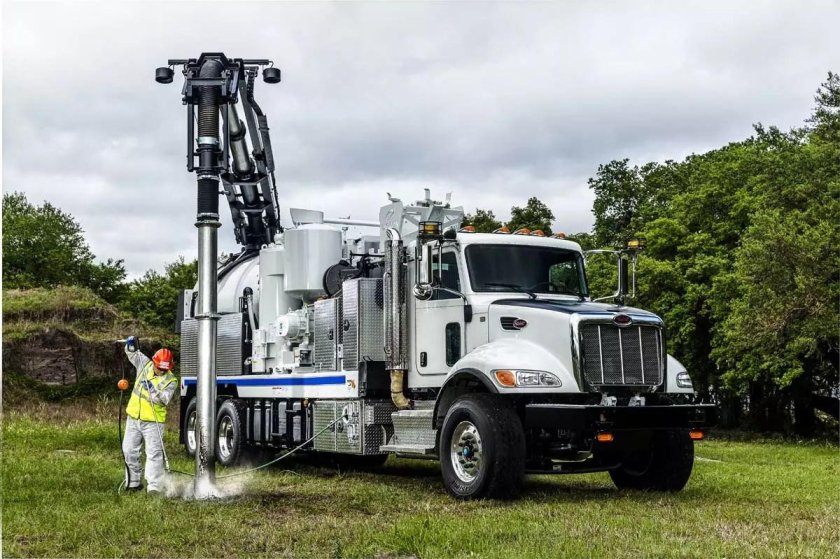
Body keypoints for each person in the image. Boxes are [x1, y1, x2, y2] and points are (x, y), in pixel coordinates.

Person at [121, 336, 177, 494]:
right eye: (159, 367)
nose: (161, 371)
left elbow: (164, 400)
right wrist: (130, 345)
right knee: (129, 450)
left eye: (164, 369)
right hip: (134, 417)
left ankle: (154, 487)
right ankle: (133, 483)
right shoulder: (144, 364)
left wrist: (153, 389)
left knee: (154, 454)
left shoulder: (171, 381)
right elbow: (133, 354)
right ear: (154, 361)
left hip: (153, 421)